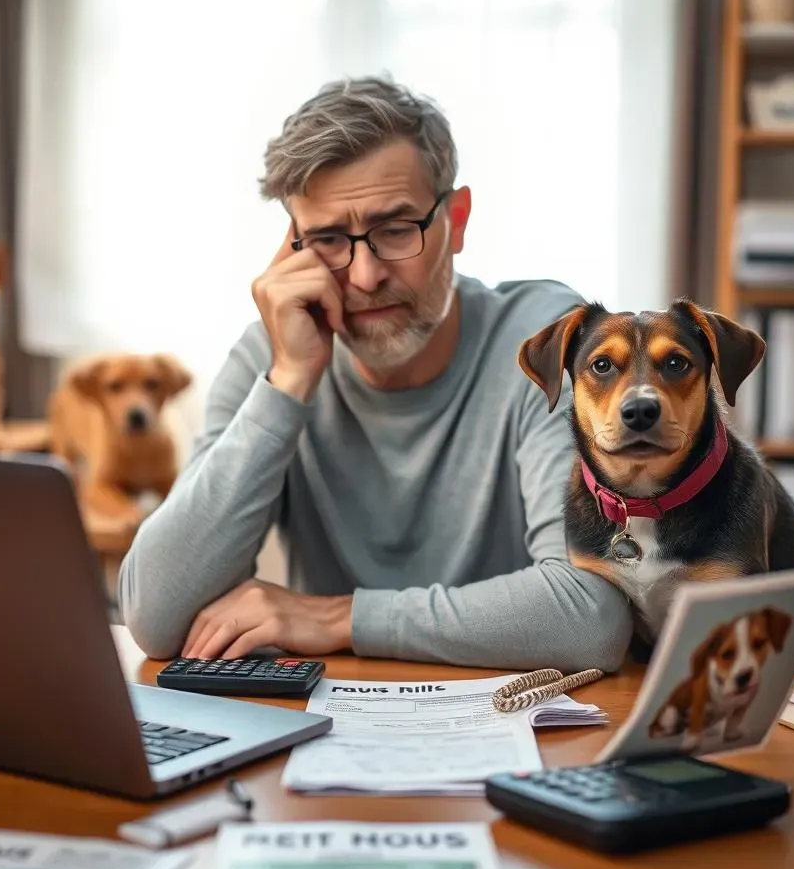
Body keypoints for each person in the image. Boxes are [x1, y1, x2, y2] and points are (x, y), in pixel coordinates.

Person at [118, 75, 632, 670]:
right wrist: (287, 383)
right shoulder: (271, 359)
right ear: (294, 246)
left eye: (394, 230)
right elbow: (154, 616)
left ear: (456, 221)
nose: (363, 277)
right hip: (326, 729)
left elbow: (588, 617)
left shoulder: (546, 346)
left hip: (517, 724)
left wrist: (335, 618)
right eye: (330, 239)